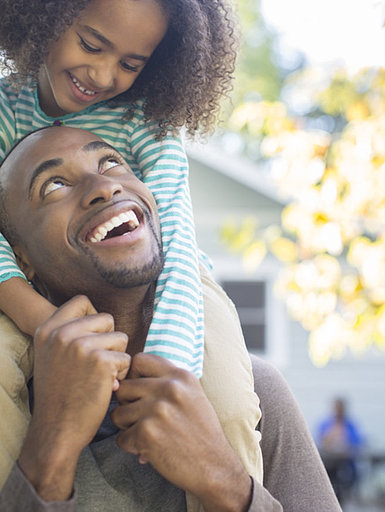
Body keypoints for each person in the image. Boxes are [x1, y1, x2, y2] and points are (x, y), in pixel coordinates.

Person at [0, 126, 342, 511]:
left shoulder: (254, 395)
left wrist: (224, 480)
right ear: (19, 260)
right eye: (53, 186)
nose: (104, 187)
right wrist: (52, 443)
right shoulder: (10, 411)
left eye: (112, 162)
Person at [0, 0, 238, 378]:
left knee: (226, 403)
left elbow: (175, 239)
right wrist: (37, 316)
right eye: (91, 45)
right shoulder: (5, 110)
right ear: (42, 11)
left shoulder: (144, 121)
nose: (104, 76)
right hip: (37, 287)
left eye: (130, 63)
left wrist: (166, 372)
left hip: (174, 291)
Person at [316, 397, 364, 504]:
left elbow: (357, 443)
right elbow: (319, 441)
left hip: (346, 463)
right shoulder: (326, 424)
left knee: (345, 481)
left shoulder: (350, 425)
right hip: (329, 462)